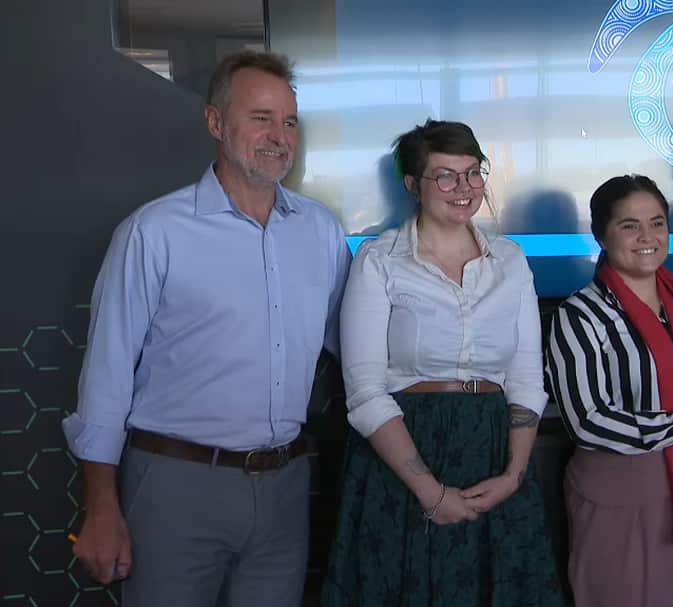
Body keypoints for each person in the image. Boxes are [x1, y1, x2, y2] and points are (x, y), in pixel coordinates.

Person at [62, 51, 352, 605]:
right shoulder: (154, 234)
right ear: (216, 123)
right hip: (175, 487)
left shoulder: (320, 231)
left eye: (289, 121)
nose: (279, 135)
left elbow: (353, 350)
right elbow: (106, 376)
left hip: (285, 489)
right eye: (260, 117)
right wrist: (100, 507)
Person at [321, 119, 565, 606]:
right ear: (413, 185)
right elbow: (366, 392)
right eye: (446, 176)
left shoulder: (510, 260)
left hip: (495, 454)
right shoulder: (380, 261)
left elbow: (524, 380)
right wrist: (430, 492)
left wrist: (513, 476)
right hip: (404, 457)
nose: (465, 189)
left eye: (474, 173)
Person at [545, 174, 673, 607]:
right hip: (623, 494)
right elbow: (587, 420)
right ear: (601, 235)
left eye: (657, 223)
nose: (647, 237)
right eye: (629, 225)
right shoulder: (580, 314)